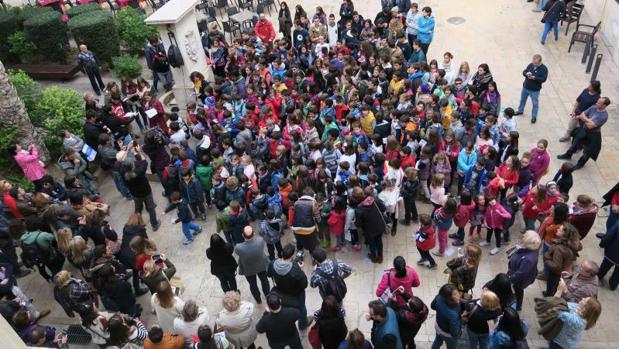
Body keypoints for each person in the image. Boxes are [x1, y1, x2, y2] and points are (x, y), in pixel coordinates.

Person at [557, 97, 611, 169]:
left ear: (604, 105)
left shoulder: (604, 116)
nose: (596, 103)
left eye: (599, 103)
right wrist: (582, 118)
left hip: (593, 134)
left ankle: (580, 164)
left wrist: (584, 118)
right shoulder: (593, 107)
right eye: (597, 102)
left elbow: (591, 126)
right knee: (575, 143)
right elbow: (583, 114)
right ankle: (568, 155)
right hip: (585, 130)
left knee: (587, 152)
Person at [267, 243, 312, 330]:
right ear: (292, 256)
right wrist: (300, 269)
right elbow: (304, 285)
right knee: (302, 307)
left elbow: (269, 275)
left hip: (281, 291)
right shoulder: (296, 271)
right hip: (296, 294)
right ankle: (302, 324)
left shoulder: (272, 263)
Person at [548, 282, 601, 349]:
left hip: (561, 344)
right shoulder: (580, 309)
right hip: (566, 339)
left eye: (585, 300)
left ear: (585, 309)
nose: (582, 298)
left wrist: (559, 291)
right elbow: (567, 304)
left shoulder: (577, 322)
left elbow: (554, 310)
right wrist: (565, 290)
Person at [121, 154, 161, 231]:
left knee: (137, 209)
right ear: (132, 165)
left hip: (135, 195)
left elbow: (121, 162)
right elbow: (144, 162)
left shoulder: (123, 174)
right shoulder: (139, 172)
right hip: (146, 192)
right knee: (151, 208)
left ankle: (137, 224)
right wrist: (139, 152)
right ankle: (154, 224)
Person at [234, 226, 271, 304]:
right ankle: (267, 294)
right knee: (264, 280)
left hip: (248, 269)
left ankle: (258, 300)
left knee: (253, 284)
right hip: (261, 265)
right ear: (254, 233)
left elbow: (237, 253)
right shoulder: (260, 240)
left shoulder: (238, 247)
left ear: (242, 235)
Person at [508, 231, 541, 311]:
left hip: (519, 279)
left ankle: (518, 306)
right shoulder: (531, 249)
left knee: (518, 290)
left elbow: (520, 274)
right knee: (517, 290)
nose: (522, 238)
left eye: (524, 237)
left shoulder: (528, 259)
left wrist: (509, 279)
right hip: (514, 272)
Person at [514, 54, 548, 123]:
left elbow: (544, 79)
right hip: (526, 87)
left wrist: (535, 78)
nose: (534, 64)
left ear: (540, 62)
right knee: (522, 100)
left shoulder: (544, 69)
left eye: (536, 63)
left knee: (535, 104)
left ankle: (534, 116)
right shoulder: (531, 65)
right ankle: (520, 111)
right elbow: (524, 72)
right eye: (533, 62)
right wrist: (526, 74)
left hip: (535, 90)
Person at [430, 284, 461, 349]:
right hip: (448, 335)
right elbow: (454, 333)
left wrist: (441, 312)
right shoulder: (453, 314)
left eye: (457, 292)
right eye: (455, 294)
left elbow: (432, 306)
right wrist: (459, 333)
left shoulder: (438, 297)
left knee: (437, 341)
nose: (459, 295)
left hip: (438, 327)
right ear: (449, 297)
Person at [597, 219, 619, 290]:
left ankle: (598, 278)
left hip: (613, 253)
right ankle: (613, 285)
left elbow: (609, 235)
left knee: (605, 265)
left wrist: (602, 244)